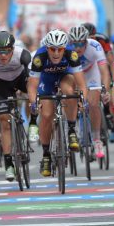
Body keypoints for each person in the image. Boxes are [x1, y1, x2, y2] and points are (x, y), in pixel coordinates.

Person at [27, 29, 87, 177]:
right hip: (46, 80)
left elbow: (82, 84)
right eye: (52, 49)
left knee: (69, 91)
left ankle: (72, 130)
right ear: (47, 48)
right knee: (46, 115)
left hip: (65, 76)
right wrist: (34, 103)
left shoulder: (71, 54)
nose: (56, 53)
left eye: (59, 49)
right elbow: (32, 86)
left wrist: (83, 100)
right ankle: (46, 155)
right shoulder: (39, 57)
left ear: (64, 48)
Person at [0, 31, 32, 180]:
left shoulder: (23, 55)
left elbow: (33, 80)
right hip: (2, 86)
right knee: (4, 120)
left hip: (21, 80)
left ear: (12, 49)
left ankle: (32, 123)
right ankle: (9, 163)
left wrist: (33, 97)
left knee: (35, 99)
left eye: (6, 51)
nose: (2, 55)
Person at [68, 25, 111, 159]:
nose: (78, 47)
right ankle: (70, 131)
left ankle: (97, 139)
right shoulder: (66, 49)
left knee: (93, 104)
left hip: (91, 73)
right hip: (74, 74)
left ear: (86, 41)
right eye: (75, 44)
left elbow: (104, 71)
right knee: (70, 98)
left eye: (81, 43)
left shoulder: (95, 46)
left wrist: (105, 89)